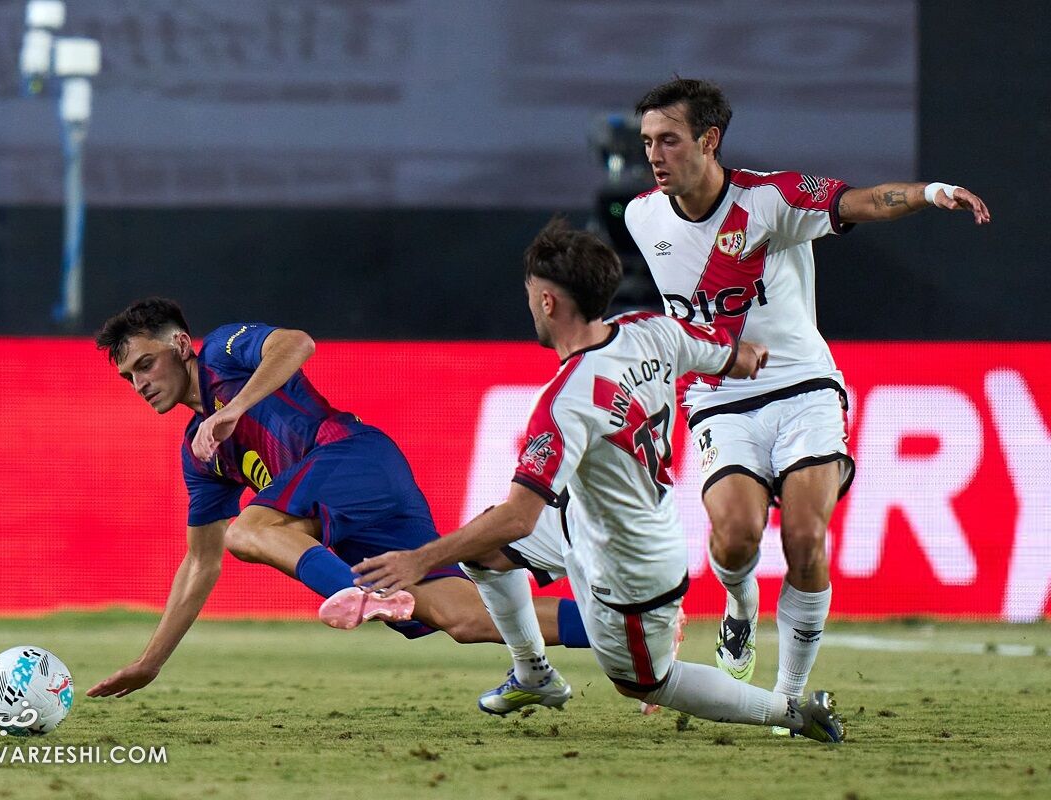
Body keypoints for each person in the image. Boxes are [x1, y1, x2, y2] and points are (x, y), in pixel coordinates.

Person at [354, 220, 844, 742]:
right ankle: (533, 673)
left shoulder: (564, 401)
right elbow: (740, 356)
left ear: (547, 302)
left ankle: (792, 711)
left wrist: (419, 560)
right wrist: (751, 360)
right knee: (484, 552)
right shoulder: (650, 330)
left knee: (647, 683)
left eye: (531, 295)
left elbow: (519, 517)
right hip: (592, 518)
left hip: (628, 560)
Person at [623, 78, 991, 706]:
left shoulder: (770, 199)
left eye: (670, 140)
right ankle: (740, 607)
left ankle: (788, 699)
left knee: (804, 539)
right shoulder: (641, 216)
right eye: (648, 141)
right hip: (718, 398)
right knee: (735, 538)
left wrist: (931, 192)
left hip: (804, 389)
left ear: (709, 141)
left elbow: (864, 201)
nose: (655, 155)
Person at [86, 298, 589, 699]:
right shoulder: (200, 453)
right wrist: (150, 662)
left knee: (251, 529)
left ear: (180, 344)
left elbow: (297, 343)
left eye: (146, 364)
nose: (140, 383)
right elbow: (201, 562)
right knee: (463, 618)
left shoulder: (221, 351)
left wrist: (234, 409)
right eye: (130, 376)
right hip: (349, 503)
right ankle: (620, 632)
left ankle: (360, 594)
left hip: (352, 456)